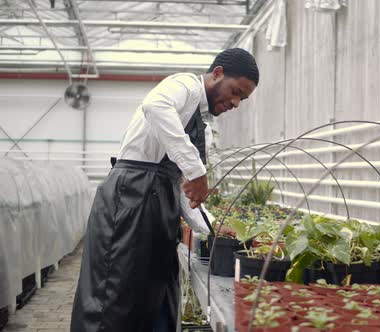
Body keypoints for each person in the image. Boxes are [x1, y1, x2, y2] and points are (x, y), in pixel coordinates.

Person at [71, 48, 259, 332]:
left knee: (153, 298)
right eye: (235, 92)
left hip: (155, 204)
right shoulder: (184, 85)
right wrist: (197, 170)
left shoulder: (199, 120)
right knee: (112, 301)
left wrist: (209, 226)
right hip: (131, 201)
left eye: (242, 99)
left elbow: (177, 182)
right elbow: (155, 106)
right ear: (217, 73)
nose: (235, 102)